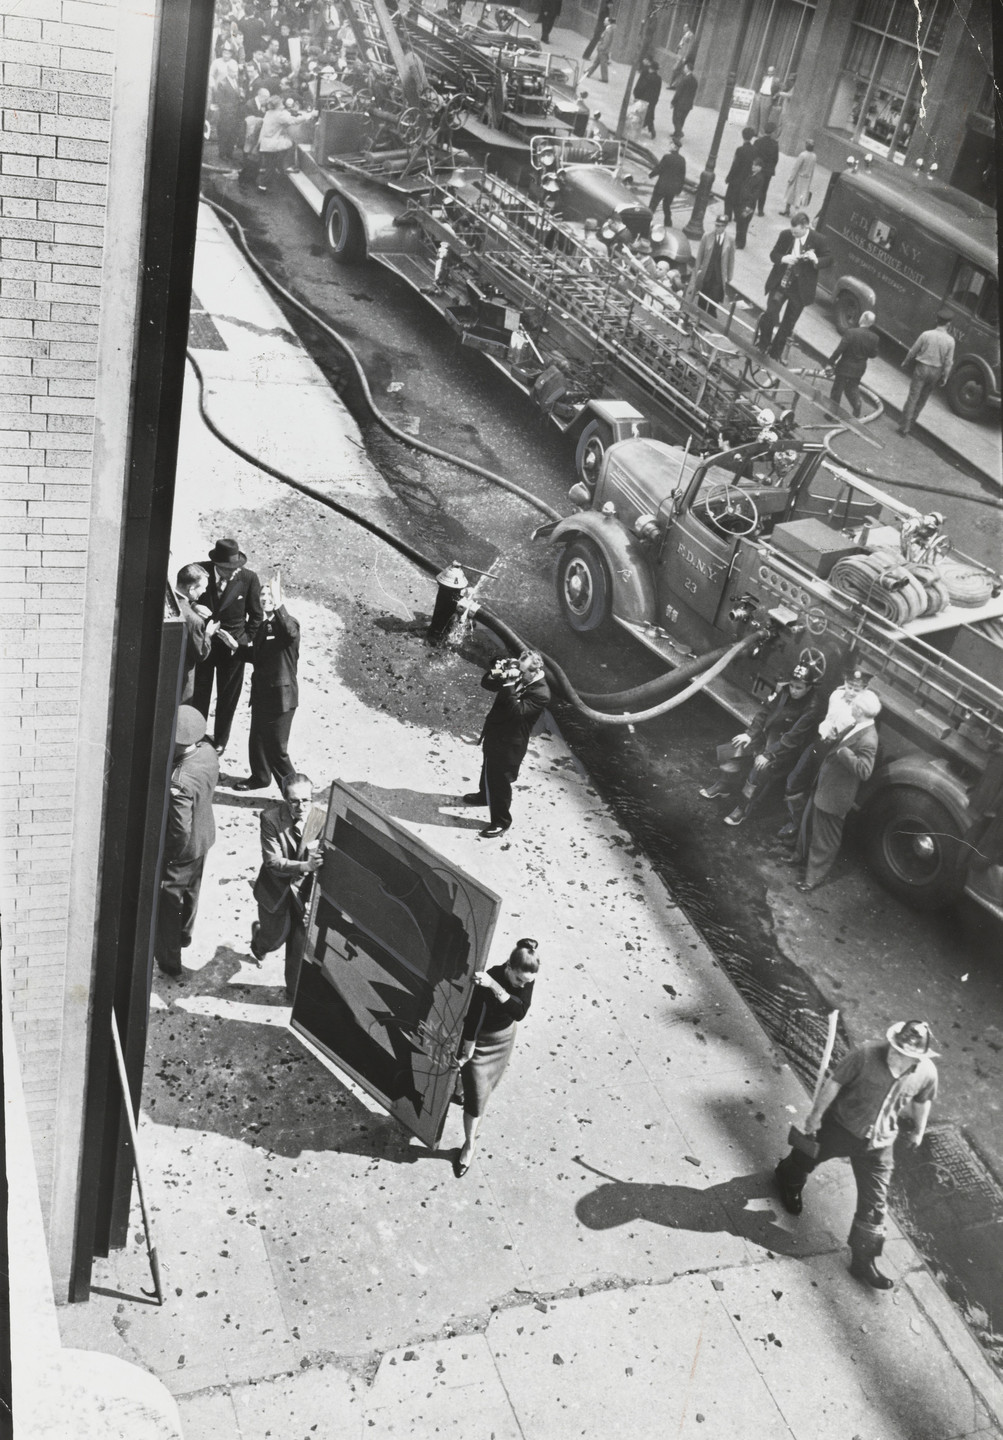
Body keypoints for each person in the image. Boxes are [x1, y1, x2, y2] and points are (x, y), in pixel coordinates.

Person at [775, 1020, 939, 1290]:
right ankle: (787, 1178)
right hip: (840, 1126)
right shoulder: (865, 1054)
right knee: (805, 1158)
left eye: (904, 1054)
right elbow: (834, 1083)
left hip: (880, 1142)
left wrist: (919, 1131)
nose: (896, 1055)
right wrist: (815, 1116)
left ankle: (864, 1261)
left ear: (918, 1058)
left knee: (875, 1205)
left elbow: (923, 1100)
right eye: (896, 1048)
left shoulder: (927, 1072)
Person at [453, 941, 540, 1177]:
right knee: (476, 1093)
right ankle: (469, 1141)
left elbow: (519, 1012)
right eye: (519, 980)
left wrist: (494, 987)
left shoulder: (524, 977)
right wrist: (468, 1048)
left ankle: (469, 1142)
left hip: (502, 1039)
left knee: (478, 1091)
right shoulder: (488, 977)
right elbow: (473, 1018)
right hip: (479, 1038)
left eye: (527, 982)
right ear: (509, 967)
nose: (523, 985)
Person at [699, 663, 824, 826]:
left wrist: (768, 754)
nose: (793, 690)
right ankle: (724, 786)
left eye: (799, 688)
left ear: (809, 688)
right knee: (733, 748)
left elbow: (793, 737)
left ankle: (743, 808)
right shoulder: (786, 691)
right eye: (792, 685)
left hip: (786, 750)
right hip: (768, 737)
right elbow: (765, 713)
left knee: (759, 769)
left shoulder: (812, 707)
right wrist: (749, 734)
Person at [792, 689, 881, 891]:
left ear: (860, 710)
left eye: (854, 706)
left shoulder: (869, 739)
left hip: (836, 795)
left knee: (825, 839)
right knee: (814, 828)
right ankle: (800, 858)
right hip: (827, 786)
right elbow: (842, 744)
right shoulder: (857, 725)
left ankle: (813, 879)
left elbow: (865, 771)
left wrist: (844, 752)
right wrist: (834, 738)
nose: (852, 708)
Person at [155, 705, 220, 978]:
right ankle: (185, 935)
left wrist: (168, 857)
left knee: (168, 906)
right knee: (192, 892)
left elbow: (180, 830)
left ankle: (169, 961)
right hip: (204, 838)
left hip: (183, 851)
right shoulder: (208, 752)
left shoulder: (179, 781)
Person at [463, 650, 551, 838]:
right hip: (495, 733)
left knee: (500, 781)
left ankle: (501, 821)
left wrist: (510, 682)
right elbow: (487, 684)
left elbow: (516, 712)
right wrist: (497, 671)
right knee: (488, 767)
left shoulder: (541, 693)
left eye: (523, 672)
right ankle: (484, 795)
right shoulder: (519, 674)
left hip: (511, 744)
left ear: (535, 671)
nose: (519, 673)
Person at [250, 773, 322, 999]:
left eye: (306, 800)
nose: (301, 807)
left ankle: (292, 992)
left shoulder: (323, 820)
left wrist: (314, 897)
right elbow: (272, 862)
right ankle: (259, 942)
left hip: (304, 896)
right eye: (294, 801)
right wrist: (305, 866)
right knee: (273, 940)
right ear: (285, 798)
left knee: (298, 948)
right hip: (276, 893)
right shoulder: (270, 818)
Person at [190, 536, 263, 756]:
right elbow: (183, 594)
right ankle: (196, 734)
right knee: (200, 692)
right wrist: (193, 605)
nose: (233, 573)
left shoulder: (249, 578)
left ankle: (220, 740)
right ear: (216, 564)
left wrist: (243, 641)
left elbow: (256, 615)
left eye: (236, 568)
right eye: (227, 569)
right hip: (204, 644)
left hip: (232, 649)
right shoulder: (199, 572)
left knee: (228, 696)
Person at [778, 668, 870, 842]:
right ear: (845, 683)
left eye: (856, 690)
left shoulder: (863, 711)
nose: (851, 692)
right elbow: (828, 719)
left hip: (835, 754)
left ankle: (802, 834)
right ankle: (796, 821)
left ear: (864, 690)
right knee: (794, 780)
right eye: (849, 686)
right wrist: (826, 730)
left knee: (818, 791)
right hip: (819, 744)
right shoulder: (836, 695)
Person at [233, 573, 300, 793]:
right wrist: (235, 647)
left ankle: (295, 794)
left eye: (270, 596)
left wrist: (279, 605)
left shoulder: (289, 623)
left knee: (277, 750)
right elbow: (259, 656)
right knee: (258, 739)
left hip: (281, 698)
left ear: (280, 599)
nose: (264, 599)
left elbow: (289, 632)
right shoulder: (264, 626)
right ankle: (260, 777)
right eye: (262, 595)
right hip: (262, 693)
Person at [754, 210, 829, 360]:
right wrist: (783, 258)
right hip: (782, 284)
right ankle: (763, 344)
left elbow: (829, 259)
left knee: (788, 325)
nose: (793, 235)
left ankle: (775, 354)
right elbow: (774, 254)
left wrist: (816, 260)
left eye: (797, 233)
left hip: (799, 289)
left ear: (805, 227)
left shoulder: (819, 240)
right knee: (770, 314)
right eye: (792, 232)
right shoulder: (786, 235)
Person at [898, 311, 955, 436]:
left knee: (913, 398)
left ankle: (904, 428)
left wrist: (906, 361)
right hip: (936, 372)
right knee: (922, 400)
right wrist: (945, 377)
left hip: (922, 368)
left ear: (937, 320)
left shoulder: (926, 334)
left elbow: (913, 350)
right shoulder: (950, 341)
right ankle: (911, 425)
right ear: (948, 324)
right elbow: (948, 362)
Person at [175, 563, 218, 704]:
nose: (205, 591)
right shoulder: (195, 621)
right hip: (182, 682)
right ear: (191, 589)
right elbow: (200, 653)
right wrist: (208, 634)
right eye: (203, 587)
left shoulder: (167, 597)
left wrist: (193, 605)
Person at [828, 311, 879, 417]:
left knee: (837, 390)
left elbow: (840, 349)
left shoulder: (851, 332)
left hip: (845, 366)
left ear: (863, 318)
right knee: (852, 388)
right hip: (859, 369)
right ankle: (857, 404)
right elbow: (873, 354)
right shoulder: (874, 338)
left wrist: (830, 362)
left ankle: (831, 414)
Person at [686, 211, 734, 314]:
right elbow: (699, 256)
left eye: (720, 226)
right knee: (703, 297)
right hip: (706, 273)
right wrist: (696, 272)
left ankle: (710, 316)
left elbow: (731, 259)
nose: (717, 228)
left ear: (725, 227)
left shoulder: (730, 240)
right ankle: (700, 316)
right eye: (716, 225)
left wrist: (729, 276)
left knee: (715, 299)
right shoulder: (707, 236)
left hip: (718, 276)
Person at [648, 138, 685, 225]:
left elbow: (659, 169)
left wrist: (651, 175)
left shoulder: (667, 157)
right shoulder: (682, 160)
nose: (669, 145)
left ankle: (646, 220)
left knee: (653, 205)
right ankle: (668, 223)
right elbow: (682, 176)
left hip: (661, 187)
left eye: (671, 144)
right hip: (672, 189)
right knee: (666, 206)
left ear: (675, 147)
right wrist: (679, 190)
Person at [723, 127, 755, 222]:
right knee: (740, 199)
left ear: (742, 136)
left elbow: (735, 165)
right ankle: (737, 216)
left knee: (729, 198)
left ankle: (728, 215)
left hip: (736, 178)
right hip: (747, 178)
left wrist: (729, 177)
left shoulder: (740, 150)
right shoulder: (755, 150)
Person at [733, 157, 765, 250]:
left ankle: (740, 243)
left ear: (760, 167)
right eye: (753, 164)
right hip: (743, 202)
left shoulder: (759, 179)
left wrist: (748, 205)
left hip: (748, 206)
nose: (753, 166)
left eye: (755, 165)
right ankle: (737, 241)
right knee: (740, 222)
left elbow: (755, 194)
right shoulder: (752, 175)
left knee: (743, 223)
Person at [781, 137, 815, 216]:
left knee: (791, 194)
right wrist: (810, 181)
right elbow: (812, 170)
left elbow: (796, 167)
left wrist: (791, 178)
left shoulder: (803, 155)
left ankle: (787, 209)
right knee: (800, 196)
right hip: (806, 180)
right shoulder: (814, 156)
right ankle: (796, 212)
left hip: (798, 178)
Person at [751, 123, 779, 216]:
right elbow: (775, 160)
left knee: (754, 188)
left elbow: (753, 155)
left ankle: (751, 208)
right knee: (763, 191)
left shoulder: (758, 142)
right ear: (773, 132)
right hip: (767, 172)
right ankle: (760, 210)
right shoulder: (775, 144)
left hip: (758, 169)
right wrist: (770, 168)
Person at [633, 58, 662, 140]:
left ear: (651, 68)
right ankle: (651, 129)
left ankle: (639, 129)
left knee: (641, 114)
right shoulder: (659, 79)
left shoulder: (648, 77)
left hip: (645, 98)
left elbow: (642, 88)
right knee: (650, 114)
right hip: (653, 100)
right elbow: (658, 90)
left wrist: (637, 95)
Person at [747, 65, 780, 135]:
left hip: (768, 97)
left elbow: (778, 90)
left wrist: (774, 96)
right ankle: (754, 132)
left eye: (771, 71)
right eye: (768, 71)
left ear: (774, 72)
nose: (769, 73)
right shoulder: (764, 78)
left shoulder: (776, 80)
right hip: (761, 95)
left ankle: (761, 134)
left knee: (764, 117)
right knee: (756, 114)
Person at [670, 61, 697, 142]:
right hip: (688, 104)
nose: (684, 69)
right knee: (682, 120)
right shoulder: (695, 80)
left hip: (680, 103)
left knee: (675, 119)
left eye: (685, 67)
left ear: (688, 69)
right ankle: (676, 133)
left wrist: (673, 102)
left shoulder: (684, 79)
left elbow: (679, 92)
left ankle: (679, 133)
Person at [584, 15, 615, 82]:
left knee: (603, 64)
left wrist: (601, 48)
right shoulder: (610, 29)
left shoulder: (608, 30)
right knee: (596, 62)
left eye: (605, 21)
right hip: (603, 50)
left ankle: (604, 78)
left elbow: (606, 41)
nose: (604, 22)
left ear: (609, 22)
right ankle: (588, 72)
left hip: (602, 50)